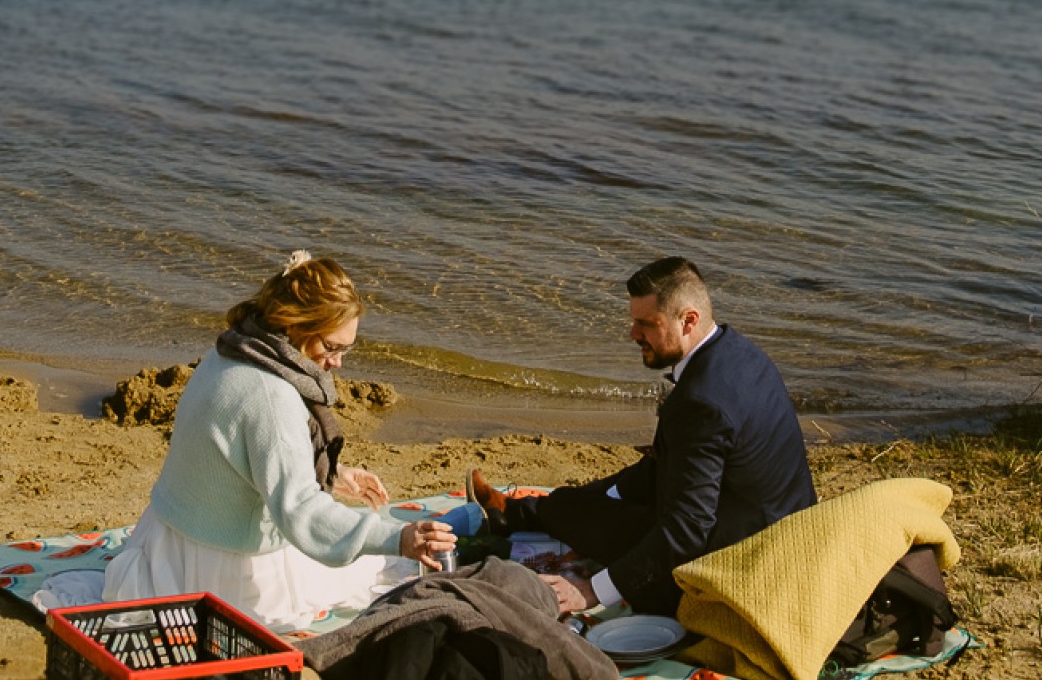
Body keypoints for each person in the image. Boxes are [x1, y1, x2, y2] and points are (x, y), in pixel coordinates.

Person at [103, 251, 454, 630]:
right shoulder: (272, 396)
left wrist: (333, 475)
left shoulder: (233, 349)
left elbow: (234, 457)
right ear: (298, 325)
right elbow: (300, 511)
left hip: (168, 540)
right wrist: (398, 538)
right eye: (332, 347)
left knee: (362, 548)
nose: (338, 363)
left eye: (346, 349)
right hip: (222, 569)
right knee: (382, 569)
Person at [470, 256, 812, 618]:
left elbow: (686, 532)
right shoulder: (739, 353)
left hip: (730, 569)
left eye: (646, 324)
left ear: (688, 321)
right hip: (780, 535)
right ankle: (520, 512)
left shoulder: (701, 402)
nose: (633, 334)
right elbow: (666, 465)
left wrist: (592, 590)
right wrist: (600, 492)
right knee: (584, 498)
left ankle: (519, 514)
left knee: (585, 513)